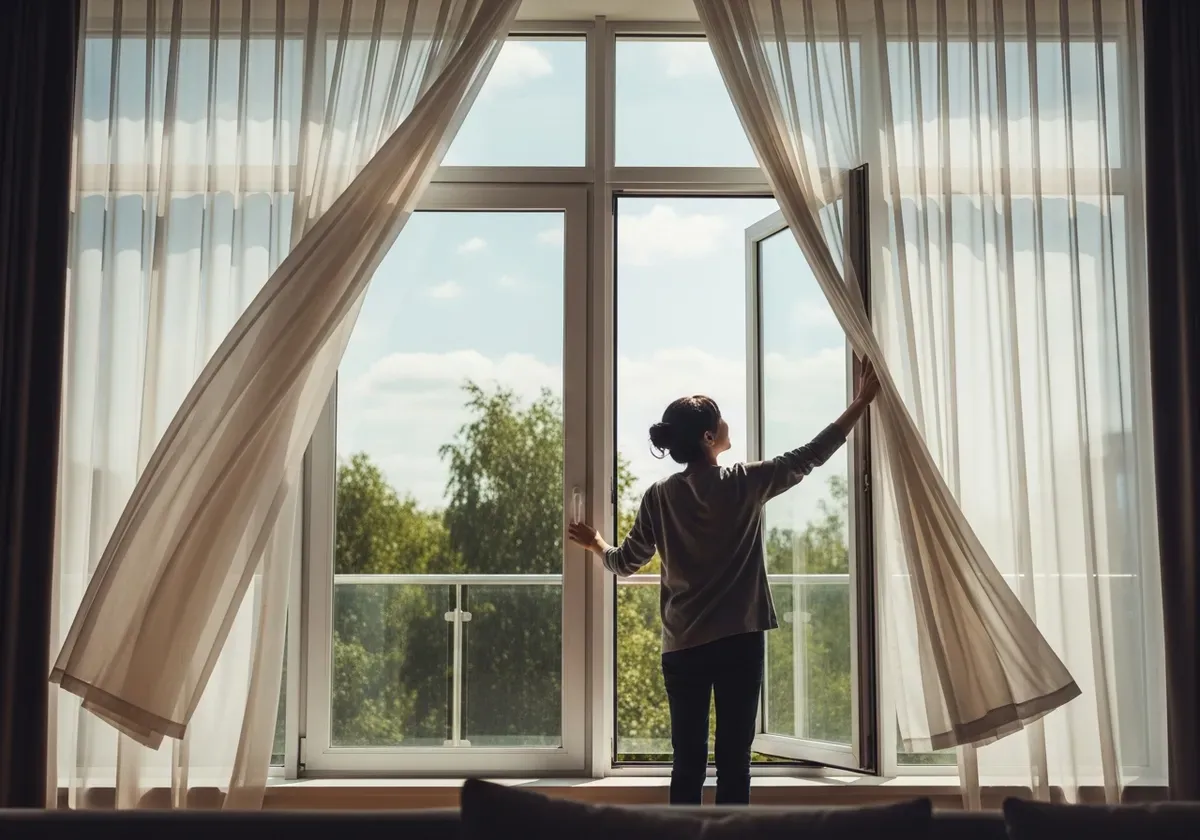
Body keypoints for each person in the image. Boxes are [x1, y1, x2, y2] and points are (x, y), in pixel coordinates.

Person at [568, 359, 881, 806]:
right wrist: (859, 404)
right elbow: (812, 454)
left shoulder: (659, 496)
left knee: (688, 761)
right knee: (735, 759)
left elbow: (625, 563)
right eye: (720, 419)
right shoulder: (747, 482)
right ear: (709, 438)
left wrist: (597, 543)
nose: (727, 422)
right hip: (739, 641)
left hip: (683, 647)